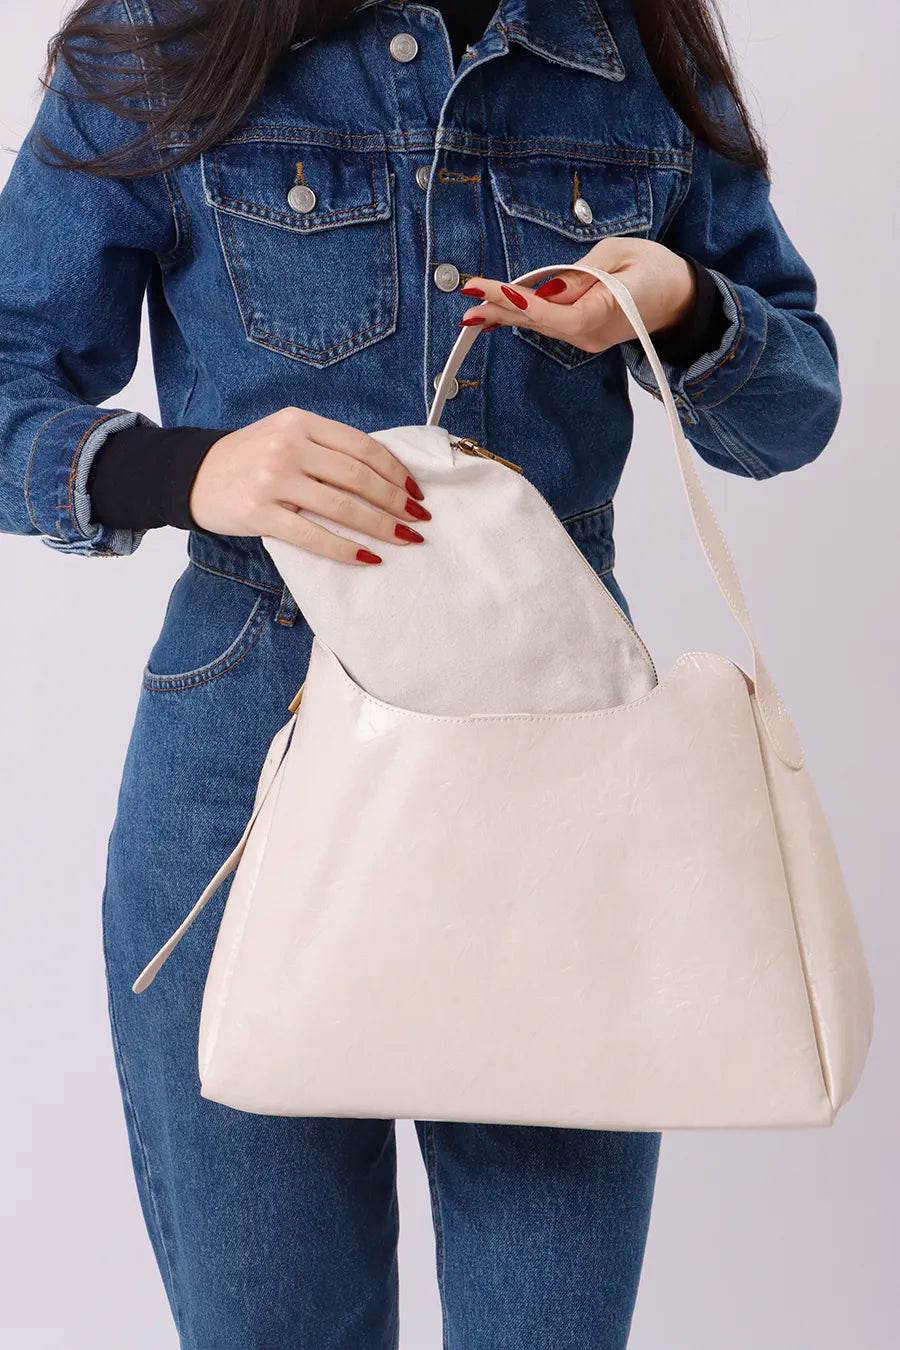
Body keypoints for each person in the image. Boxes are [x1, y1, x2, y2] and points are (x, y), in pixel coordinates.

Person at [0, 2, 841, 1346]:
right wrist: (191, 471)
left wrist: (676, 306)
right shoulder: (171, 31)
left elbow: (794, 409)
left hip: (564, 752)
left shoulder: (636, 44)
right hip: (246, 745)